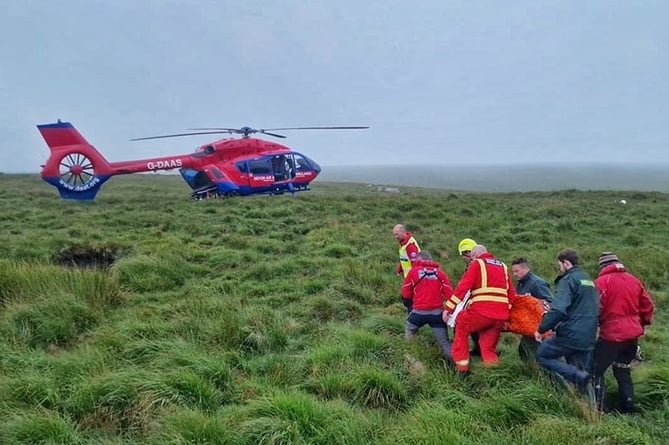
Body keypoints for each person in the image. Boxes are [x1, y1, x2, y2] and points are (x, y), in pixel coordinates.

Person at [593, 252, 655, 413]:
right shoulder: (633, 280)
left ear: (603, 266)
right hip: (632, 336)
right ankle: (627, 407)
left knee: (595, 370)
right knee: (622, 369)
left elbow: (595, 309)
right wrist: (641, 323)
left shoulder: (601, 282)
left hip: (612, 336)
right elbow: (647, 306)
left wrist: (594, 326)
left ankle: (600, 409)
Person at [442, 245, 516, 375]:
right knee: (487, 348)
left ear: (475, 255)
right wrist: (505, 312)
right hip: (500, 316)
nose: (471, 260)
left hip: (481, 312)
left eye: (471, 257)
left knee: (461, 326)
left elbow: (462, 288)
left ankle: (462, 370)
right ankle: (493, 375)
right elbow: (511, 294)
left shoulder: (477, 264)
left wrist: (448, 308)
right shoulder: (503, 266)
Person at [534, 249, 599, 396]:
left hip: (571, 333)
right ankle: (590, 411)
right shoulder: (589, 280)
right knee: (583, 374)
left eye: (560, 265)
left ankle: (576, 377)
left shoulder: (569, 280)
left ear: (566, 263)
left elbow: (558, 309)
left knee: (542, 355)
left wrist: (542, 328)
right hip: (589, 334)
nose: (560, 268)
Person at [402, 251, 455, 366]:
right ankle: (456, 367)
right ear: (431, 260)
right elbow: (450, 294)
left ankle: (409, 356)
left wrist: (409, 305)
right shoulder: (441, 274)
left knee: (409, 330)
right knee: (444, 342)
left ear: (419, 260)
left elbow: (405, 292)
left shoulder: (413, 272)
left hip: (418, 313)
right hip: (437, 314)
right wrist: (449, 311)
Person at [511, 257, 553, 361]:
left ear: (525, 269)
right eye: (513, 272)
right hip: (528, 326)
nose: (514, 274)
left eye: (516, 271)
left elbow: (549, 302)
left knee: (534, 351)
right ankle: (532, 370)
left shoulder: (537, 283)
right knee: (524, 350)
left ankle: (550, 375)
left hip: (540, 326)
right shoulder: (520, 284)